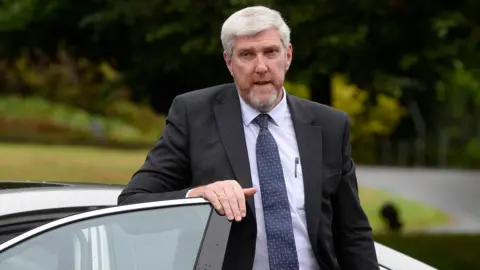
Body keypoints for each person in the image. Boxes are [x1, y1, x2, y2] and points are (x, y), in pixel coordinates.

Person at [118, 5, 379, 270]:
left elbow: (352, 232)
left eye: (271, 52)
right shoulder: (193, 116)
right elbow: (133, 203)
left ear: (287, 56)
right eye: (246, 54)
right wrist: (198, 197)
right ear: (229, 62)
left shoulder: (329, 126)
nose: (261, 67)